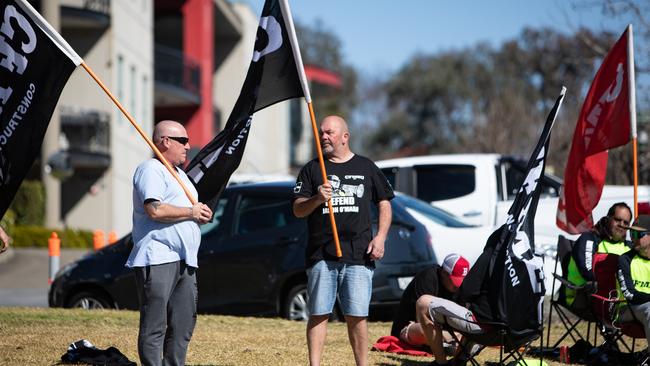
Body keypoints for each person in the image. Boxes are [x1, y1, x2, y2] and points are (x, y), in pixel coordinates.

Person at [293, 115, 394, 366]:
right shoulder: (312, 169)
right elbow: (297, 209)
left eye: (329, 132)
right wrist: (317, 198)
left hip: (359, 255)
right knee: (318, 313)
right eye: (321, 133)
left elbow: (384, 202)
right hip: (321, 255)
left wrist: (380, 238)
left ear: (345, 137)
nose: (323, 137)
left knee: (357, 315)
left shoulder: (366, 167)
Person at [126, 120, 213, 366]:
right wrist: (191, 212)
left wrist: (200, 214)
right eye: (183, 140)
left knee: (183, 324)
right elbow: (154, 209)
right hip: (158, 257)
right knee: (155, 325)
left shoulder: (182, 175)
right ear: (165, 142)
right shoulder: (151, 169)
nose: (188, 145)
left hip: (185, 260)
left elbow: (188, 211)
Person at [390, 254, 470, 352]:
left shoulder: (460, 287)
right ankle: (451, 343)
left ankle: (450, 343)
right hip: (412, 327)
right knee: (424, 331)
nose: (458, 285)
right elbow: (422, 320)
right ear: (444, 273)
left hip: (447, 331)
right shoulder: (428, 278)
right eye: (455, 280)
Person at [565, 202, 633, 306]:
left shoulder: (629, 247)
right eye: (617, 220)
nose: (621, 225)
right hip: (583, 297)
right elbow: (587, 271)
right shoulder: (589, 238)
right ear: (608, 218)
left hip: (621, 302)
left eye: (626, 223)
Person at [617, 214, 650, 349]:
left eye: (638, 234)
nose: (633, 238)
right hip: (627, 308)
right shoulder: (625, 260)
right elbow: (629, 294)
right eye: (631, 233)